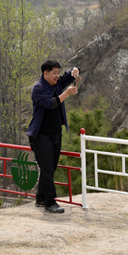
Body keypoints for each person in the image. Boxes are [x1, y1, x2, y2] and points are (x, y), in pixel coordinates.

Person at [27, 60, 79, 214]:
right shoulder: (38, 89)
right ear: (46, 73)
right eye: (54, 73)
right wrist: (66, 93)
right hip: (41, 136)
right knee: (48, 169)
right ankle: (50, 202)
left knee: (50, 168)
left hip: (55, 133)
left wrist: (74, 72)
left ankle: (41, 197)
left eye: (58, 72)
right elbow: (50, 103)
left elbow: (66, 78)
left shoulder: (55, 83)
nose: (57, 76)